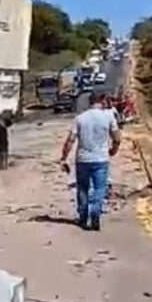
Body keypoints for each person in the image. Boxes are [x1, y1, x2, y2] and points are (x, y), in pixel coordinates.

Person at [59, 92, 121, 231]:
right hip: (101, 158)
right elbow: (117, 137)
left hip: (83, 159)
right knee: (100, 188)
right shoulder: (108, 116)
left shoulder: (80, 118)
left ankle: (83, 216)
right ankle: (95, 212)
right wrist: (113, 150)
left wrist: (63, 157)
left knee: (83, 188)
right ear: (102, 101)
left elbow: (70, 140)